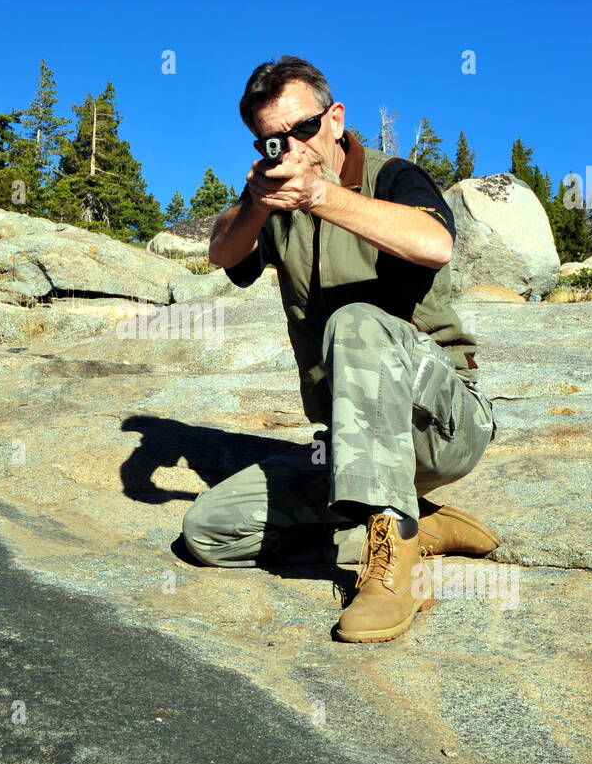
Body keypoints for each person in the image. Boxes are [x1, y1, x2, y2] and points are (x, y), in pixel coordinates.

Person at [181, 56, 499, 643]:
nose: (292, 145)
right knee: (209, 531)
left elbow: (434, 244)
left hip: (443, 422)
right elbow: (223, 256)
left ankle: (391, 574)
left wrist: (321, 195)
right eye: (273, 139)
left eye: (303, 128)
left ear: (335, 117)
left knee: (357, 321)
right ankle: (415, 526)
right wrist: (257, 201)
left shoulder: (393, 177)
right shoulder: (276, 203)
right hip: (351, 442)